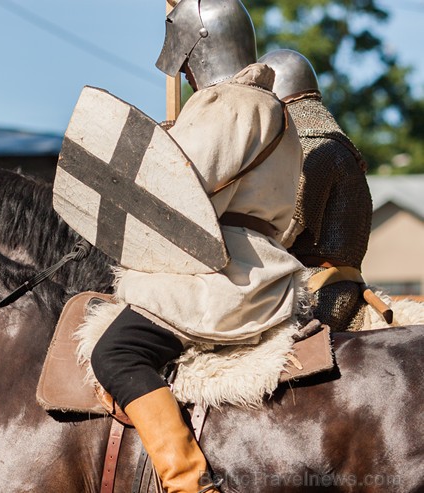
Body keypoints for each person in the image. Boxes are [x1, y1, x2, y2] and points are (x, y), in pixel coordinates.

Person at [87, 1, 306, 492]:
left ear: (201, 48)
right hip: (257, 265)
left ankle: (189, 483)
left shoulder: (228, 104)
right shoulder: (276, 112)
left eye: (184, 57)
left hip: (219, 274)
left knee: (116, 354)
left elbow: (171, 191)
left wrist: (163, 153)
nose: (182, 70)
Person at [258, 49, 374, 332]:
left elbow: (282, 233)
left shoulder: (314, 149)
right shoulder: (335, 146)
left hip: (318, 291)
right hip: (334, 283)